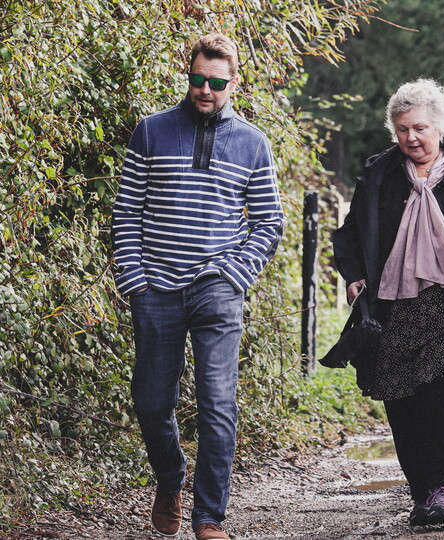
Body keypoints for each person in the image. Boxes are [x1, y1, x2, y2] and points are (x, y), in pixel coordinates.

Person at [111, 34, 284, 540]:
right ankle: (171, 480)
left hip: (217, 288)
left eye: (215, 82)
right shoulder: (151, 131)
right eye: (197, 79)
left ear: (234, 82)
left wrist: (235, 274)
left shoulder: (252, 142)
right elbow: (126, 213)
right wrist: (135, 281)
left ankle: (209, 517)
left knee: (217, 404)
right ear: (188, 76)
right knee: (150, 402)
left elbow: (269, 222)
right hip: (156, 289)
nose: (204, 90)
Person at [332, 78, 444, 527]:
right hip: (397, 309)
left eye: (419, 128)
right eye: (402, 130)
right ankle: (422, 488)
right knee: (405, 398)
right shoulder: (379, 176)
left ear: (440, 127)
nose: (411, 138)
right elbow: (350, 233)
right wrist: (355, 276)